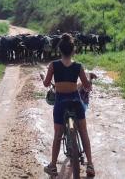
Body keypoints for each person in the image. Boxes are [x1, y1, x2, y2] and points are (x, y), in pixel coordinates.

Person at [41, 33, 95, 177]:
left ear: (60, 50)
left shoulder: (53, 65)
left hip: (60, 103)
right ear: (73, 50)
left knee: (58, 135)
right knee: (83, 132)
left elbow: (46, 84)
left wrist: (43, 77)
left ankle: (53, 166)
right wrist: (89, 78)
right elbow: (86, 86)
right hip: (76, 102)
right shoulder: (78, 66)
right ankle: (90, 164)